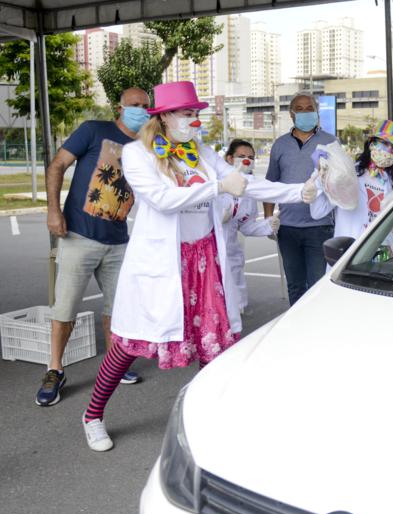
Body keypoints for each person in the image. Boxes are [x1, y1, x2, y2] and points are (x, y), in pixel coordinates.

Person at [80, 81, 314, 451]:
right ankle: (93, 415)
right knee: (129, 343)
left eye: (197, 114)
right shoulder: (136, 153)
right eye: (188, 114)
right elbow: (161, 199)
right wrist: (218, 188)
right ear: (166, 117)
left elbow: (245, 184)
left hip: (204, 259)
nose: (195, 120)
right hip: (164, 263)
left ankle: (209, 417)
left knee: (212, 342)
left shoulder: (199, 152)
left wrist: (297, 192)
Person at [36, 86, 151, 407]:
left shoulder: (146, 146)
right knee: (65, 308)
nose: (140, 110)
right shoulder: (93, 130)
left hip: (119, 242)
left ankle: (114, 367)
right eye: (135, 105)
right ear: (120, 107)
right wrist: (53, 210)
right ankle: (54, 370)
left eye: (145, 105)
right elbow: (57, 165)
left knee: (118, 310)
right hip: (79, 235)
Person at [263, 91, 337, 305]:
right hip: (288, 228)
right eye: (300, 109)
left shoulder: (330, 142)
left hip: (320, 227)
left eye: (310, 108)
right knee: (295, 284)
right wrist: (269, 220)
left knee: (318, 284)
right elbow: (271, 185)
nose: (305, 113)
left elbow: (341, 182)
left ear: (317, 112)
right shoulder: (280, 145)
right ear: (291, 113)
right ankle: (295, 324)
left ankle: (316, 327)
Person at [309, 120, 393, 244]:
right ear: (371, 144)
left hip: (382, 254)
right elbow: (318, 212)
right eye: (384, 143)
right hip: (349, 253)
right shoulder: (347, 174)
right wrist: (319, 177)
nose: (388, 151)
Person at [221, 139, 280, 311]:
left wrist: (269, 225)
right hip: (208, 249)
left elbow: (246, 226)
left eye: (250, 157)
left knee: (233, 302)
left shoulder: (251, 187)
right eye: (241, 156)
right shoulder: (215, 182)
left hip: (231, 251)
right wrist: (218, 215)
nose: (246, 160)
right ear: (229, 159)